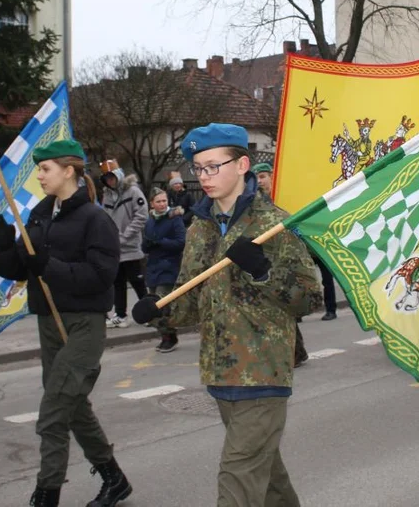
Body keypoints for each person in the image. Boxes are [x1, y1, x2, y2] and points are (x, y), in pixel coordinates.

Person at [132, 123, 322, 507]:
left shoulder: (274, 224)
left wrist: (263, 272)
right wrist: (157, 310)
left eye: (214, 166)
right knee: (268, 482)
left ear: (242, 164)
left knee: (237, 481)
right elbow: (189, 300)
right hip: (220, 373)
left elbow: (309, 298)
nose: (204, 177)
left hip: (263, 373)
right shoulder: (200, 227)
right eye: (199, 168)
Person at [0, 139, 131, 507]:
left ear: (69, 171)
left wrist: (48, 268)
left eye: (45, 168)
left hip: (85, 324)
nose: (39, 175)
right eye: (39, 169)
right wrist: (3, 246)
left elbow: (102, 276)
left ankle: (46, 494)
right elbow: (18, 267)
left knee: (54, 412)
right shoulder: (39, 214)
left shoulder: (95, 219)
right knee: (74, 407)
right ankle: (114, 479)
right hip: (49, 322)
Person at [251, 161, 312, 362]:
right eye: (257, 178)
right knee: (279, 304)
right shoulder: (258, 202)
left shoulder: (282, 198)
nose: (260, 181)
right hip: (269, 255)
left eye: (263, 177)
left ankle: (295, 351)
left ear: (272, 176)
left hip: (287, 253)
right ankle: (296, 351)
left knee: (283, 302)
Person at [98, 159, 148, 328]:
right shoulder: (107, 195)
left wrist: (126, 236)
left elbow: (141, 216)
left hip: (131, 246)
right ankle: (121, 315)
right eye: (106, 178)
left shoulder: (133, 191)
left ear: (118, 175)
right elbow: (105, 217)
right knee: (118, 283)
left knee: (137, 281)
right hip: (115, 247)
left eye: (111, 177)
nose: (109, 181)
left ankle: (148, 312)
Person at [142, 186, 185, 353]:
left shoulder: (174, 218)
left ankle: (170, 336)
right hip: (153, 268)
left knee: (162, 303)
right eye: (158, 201)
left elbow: (181, 242)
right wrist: (147, 244)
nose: (162, 204)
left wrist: (161, 242)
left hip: (169, 267)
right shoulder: (150, 220)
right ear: (151, 204)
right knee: (152, 305)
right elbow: (146, 245)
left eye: (164, 201)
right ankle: (164, 335)